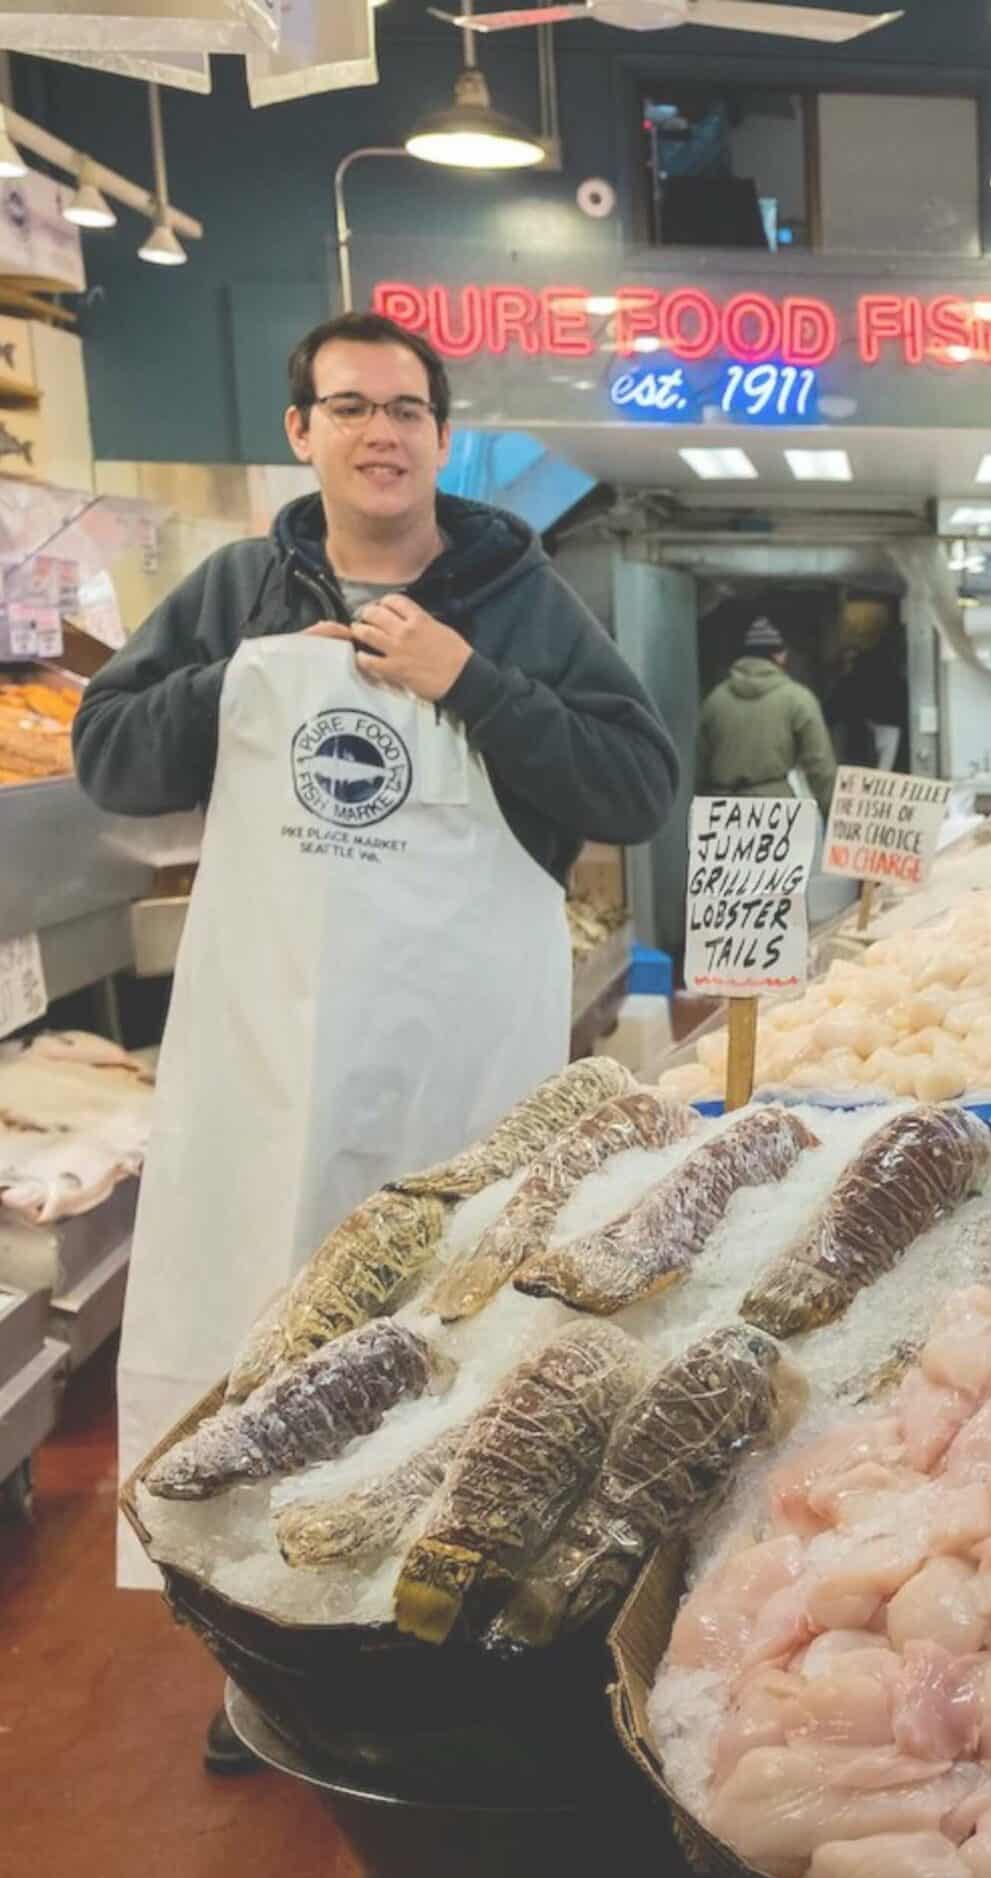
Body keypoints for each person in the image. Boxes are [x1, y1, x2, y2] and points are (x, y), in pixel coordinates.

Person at [74, 309, 676, 1772]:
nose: (381, 431)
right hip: (273, 1048)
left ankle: (445, 1634)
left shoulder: (517, 596)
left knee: (463, 1328)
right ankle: (262, 1661)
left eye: (407, 407)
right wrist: (251, 681)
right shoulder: (236, 588)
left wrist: (466, 677)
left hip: (460, 1056)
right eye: (349, 405)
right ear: (303, 431)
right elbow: (105, 749)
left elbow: (635, 779)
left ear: (439, 435)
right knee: (268, 1333)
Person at [697, 617, 838, 802]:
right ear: (778, 656)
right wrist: (831, 809)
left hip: (719, 807)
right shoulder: (798, 699)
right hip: (774, 810)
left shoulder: (715, 699)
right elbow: (819, 764)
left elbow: (699, 761)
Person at [823, 599, 908, 774]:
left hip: (868, 735)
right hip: (887, 730)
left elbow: (833, 710)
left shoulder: (856, 675)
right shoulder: (889, 669)